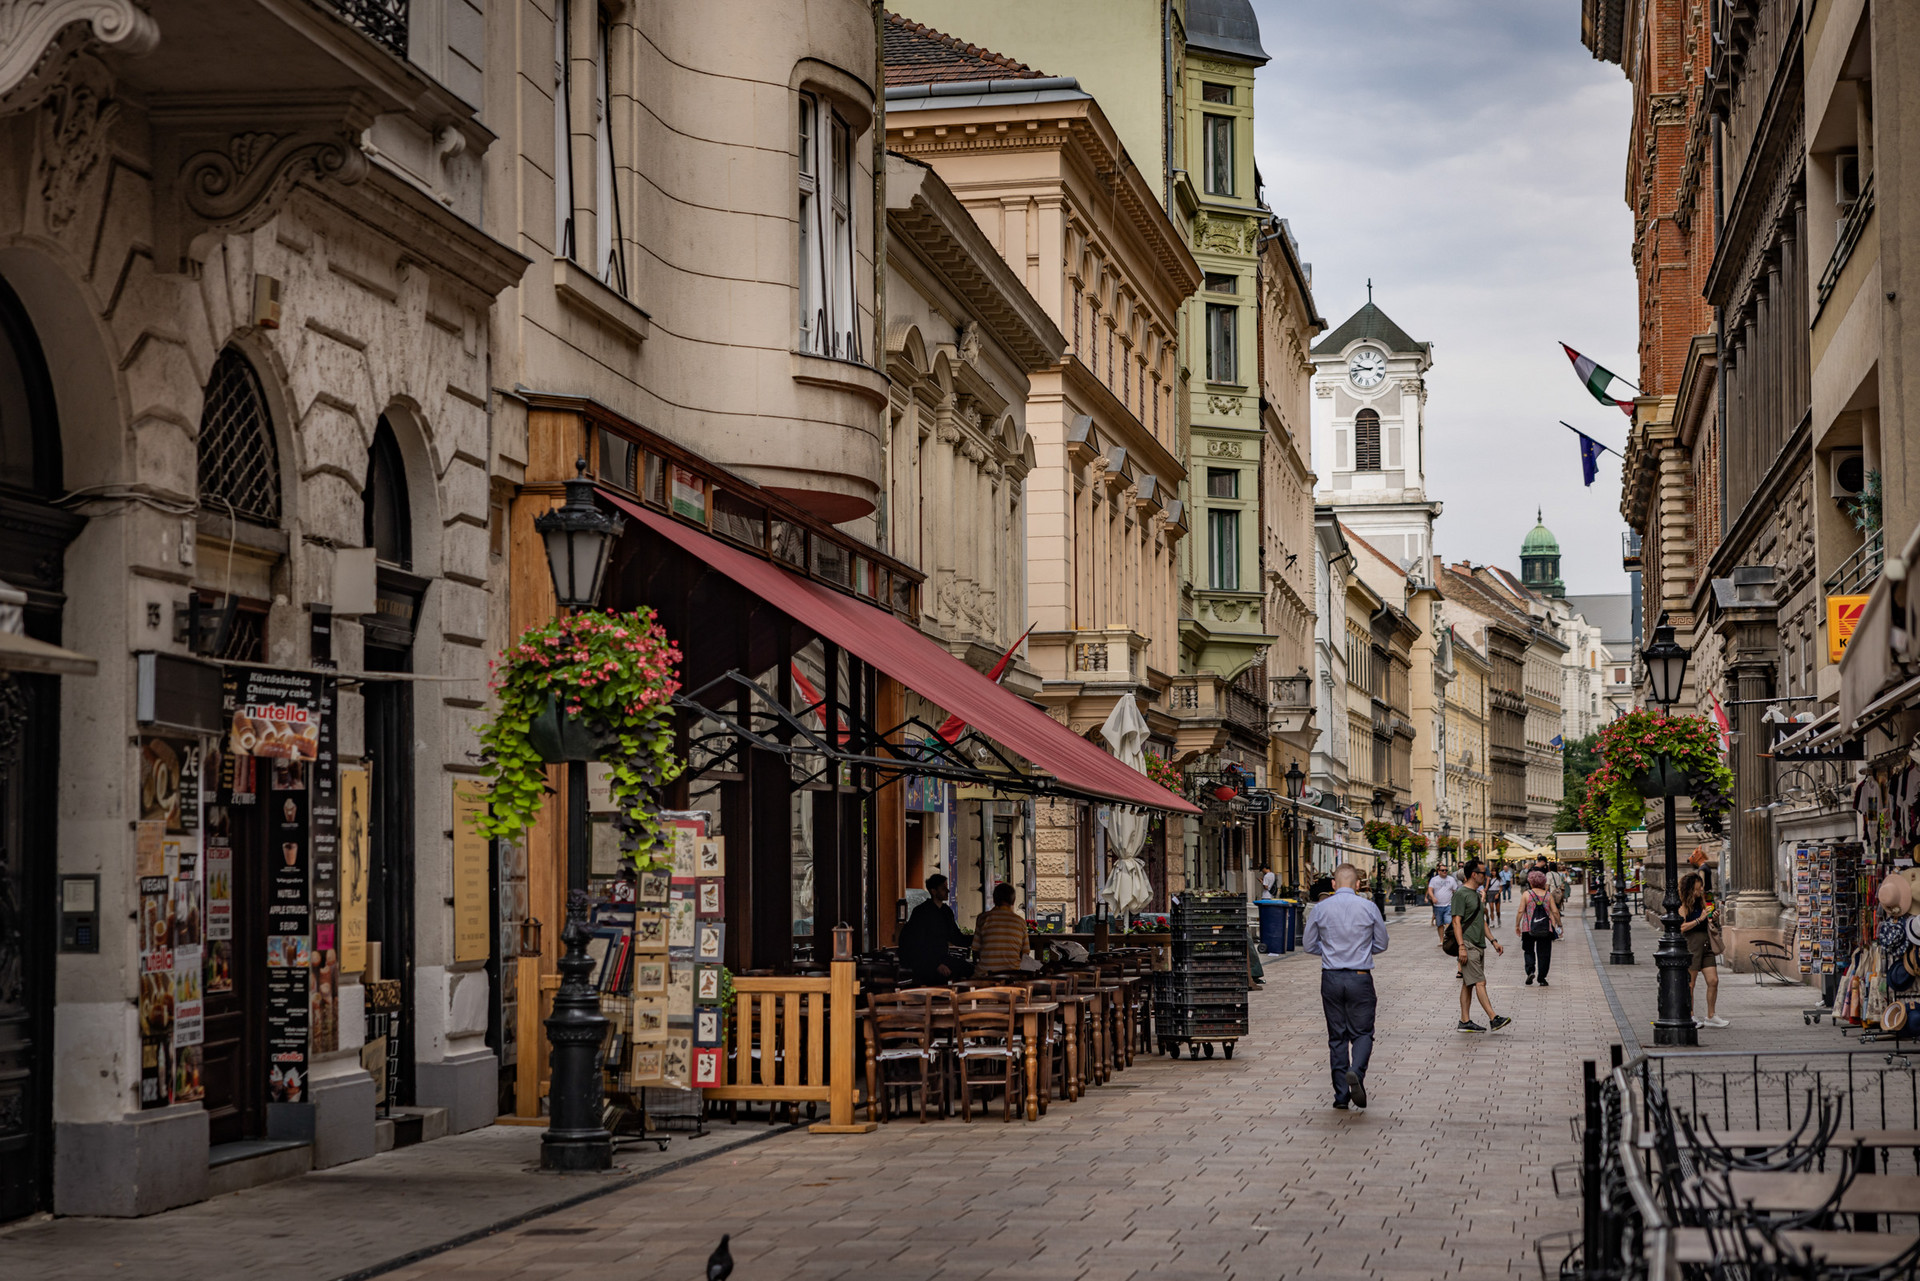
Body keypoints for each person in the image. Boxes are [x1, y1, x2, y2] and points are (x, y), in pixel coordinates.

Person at [1302, 863, 1389, 1111]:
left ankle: (1341, 1096)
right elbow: (1382, 943)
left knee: (1337, 1037)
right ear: (1358, 884)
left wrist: (1330, 952)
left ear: (1333, 884)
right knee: (1362, 1033)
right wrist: (1361, 951)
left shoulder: (1321, 908)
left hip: (1330, 977)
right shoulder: (1369, 907)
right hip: (1360, 976)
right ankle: (1356, 1072)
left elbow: (1309, 945)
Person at [1451, 859, 1511, 1033]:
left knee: (1468, 984)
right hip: (1468, 944)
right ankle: (1493, 1018)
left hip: (1479, 944)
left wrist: (1493, 941)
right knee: (1480, 981)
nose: (1485, 876)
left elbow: (1481, 921)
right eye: (1483, 873)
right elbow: (1456, 922)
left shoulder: (1476, 894)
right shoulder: (1461, 894)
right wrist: (1461, 946)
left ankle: (1464, 1021)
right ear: (1473, 874)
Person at [897, 874, 972, 985]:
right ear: (933, 891)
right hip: (924, 961)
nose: (947, 891)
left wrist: (978, 939)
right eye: (943, 888)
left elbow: (956, 937)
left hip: (942, 958)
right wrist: (936, 965)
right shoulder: (921, 912)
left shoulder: (946, 912)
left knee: (970, 970)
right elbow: (915, 944)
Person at [1679, 873, 1727, 1028]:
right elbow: (1682, 927)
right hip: (1692, 944)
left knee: (1713, 980)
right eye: (1698, 888)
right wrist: (1699, 919)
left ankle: (1711, 1016)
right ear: (1690, 888)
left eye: (1701, 887)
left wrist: (1713, 917)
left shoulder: (1702, 901)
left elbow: (1708, 919)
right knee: (1690, 984)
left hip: (1706, 944)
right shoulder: (1684, 905)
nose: (1700, 890)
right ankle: (1690, 1015)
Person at [972, 882, 1031, 973]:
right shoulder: (1020, 922)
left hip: (986, 975)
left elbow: (975, 951)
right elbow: (1025, 954)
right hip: (1012, 974)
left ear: (994, 899)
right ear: (1013, 900)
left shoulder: (983, 918)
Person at [1517, 869, 1562, 986]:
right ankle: (1542, 978)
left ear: (1531, 882)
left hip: (1528, 928)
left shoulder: (1527, 894)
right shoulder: (1548, 895)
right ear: (1543, 882)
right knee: (1544, 954)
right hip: (1545, 928)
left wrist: (1517, 925)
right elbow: (1555, 912)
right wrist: (1559, 925)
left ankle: (1530, 970)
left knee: (1528, 950)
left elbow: (1521, 910)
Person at [1426, 864, 1458, 943]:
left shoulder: (1451, 879)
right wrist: (1433, 897)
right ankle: (1441, 940)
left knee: (1448, 922)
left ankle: (1448, 938)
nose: (1445, 872)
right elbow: (1430, 889)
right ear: (1438, 871)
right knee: (1439, 924)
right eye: (1443, 870)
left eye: (1446, 870)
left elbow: (1455, 890)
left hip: (1448, 905)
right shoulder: (1434, 880)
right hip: (1437, 906)